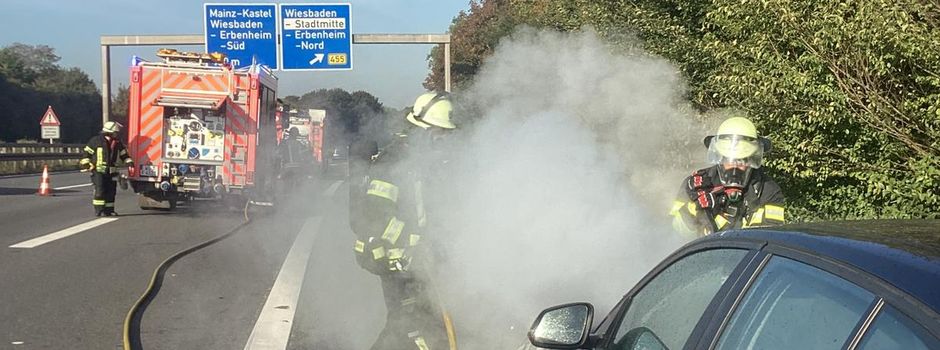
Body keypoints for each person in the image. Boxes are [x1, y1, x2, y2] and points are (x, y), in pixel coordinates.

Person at [351, 91, 457, 350]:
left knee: (421, 324)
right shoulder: (394, 161)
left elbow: (425, 211)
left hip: (417, 263)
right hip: (396, 262)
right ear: (424, 130)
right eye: (439, 134)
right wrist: (411, 249)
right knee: (407, 327)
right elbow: (375, 216)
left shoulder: (421, 161)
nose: (443, 140)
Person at [670, 116, 785, 238]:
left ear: (751, 159)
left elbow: (764, 238)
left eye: (741, 160)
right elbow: (673, 233)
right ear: (720, 157)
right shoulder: (697, 184)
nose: (734, 167)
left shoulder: (768, 191)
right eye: (729, 159)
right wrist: (699, 213)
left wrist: (722, 220)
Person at [80, 121, 133, 216]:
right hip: (98, 171)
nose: (116, 134)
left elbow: (124, 154)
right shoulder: (95, 141)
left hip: (112, 172)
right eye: (115, 132)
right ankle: (99, 210)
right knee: (100, 191)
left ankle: (109, 210)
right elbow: (86, 154)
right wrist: (86, 164)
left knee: (111, 192)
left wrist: (129, 162)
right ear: (109, 132)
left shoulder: (117, 143)